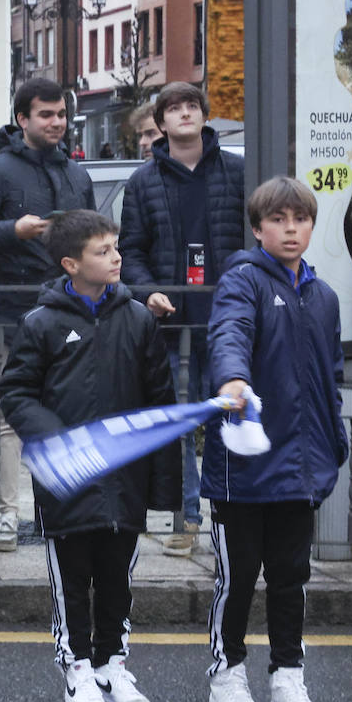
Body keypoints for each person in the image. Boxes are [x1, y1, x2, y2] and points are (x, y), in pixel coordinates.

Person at [0, 210, 179, 702]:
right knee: (73, 580)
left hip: (125, 483)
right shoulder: (43, 322)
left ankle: (111, 663)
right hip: (68, 482)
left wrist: (162, 488)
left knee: (118, 579)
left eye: (116, 247)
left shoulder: (139, 318)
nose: (116, 257)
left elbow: (158, 404)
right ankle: (76, 665)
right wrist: (54, 437)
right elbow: (14, 391)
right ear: (71, 264)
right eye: (103, 251)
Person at [201, 177, 343, 702]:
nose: (291, 229)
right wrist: (233, 378)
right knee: (237, 579)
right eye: (279, 220)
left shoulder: (323, 295)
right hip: (245, 465)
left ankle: (288, 678)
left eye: (300, 219)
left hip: (301, 466)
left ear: (311, 225)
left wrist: (335, 443)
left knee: (291, 578)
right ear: (258, 228)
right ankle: (226, 673)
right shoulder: (243, 282)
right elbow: (228, 336)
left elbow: (331, 376)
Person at [0, 77, 94, 552]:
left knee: (67, 413)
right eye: (46, 115)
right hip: (14, 310)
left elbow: (95, 242)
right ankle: (6, 520)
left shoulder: (78, 175)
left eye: (61, 115)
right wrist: (14, 230)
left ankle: (58, 513)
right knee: (10, 418)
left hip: (72, 312)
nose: (56, 123)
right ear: (23, 120)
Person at [118, 82, 246, 557]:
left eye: (193, 105)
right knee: (177, 426)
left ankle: (227, 515)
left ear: (205, 115)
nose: (186, 114)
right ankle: (187, 518)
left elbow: (254, 241)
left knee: (226, 423)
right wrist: (148, 290)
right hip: (170, 327)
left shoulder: (238, 171)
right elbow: (130, 251)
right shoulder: (143, 181)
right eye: (175, 108)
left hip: (229, 324)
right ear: (162, 121)